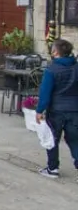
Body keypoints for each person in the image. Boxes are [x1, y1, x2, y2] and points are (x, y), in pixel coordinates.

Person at [35, 38, 78, 179]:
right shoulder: (76, 68)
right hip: (75, 110)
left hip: (56, 110)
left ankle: (53, 168)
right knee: (74, 139)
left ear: (55, 52)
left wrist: (39, 110)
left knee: (52, 139)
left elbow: (45, 93)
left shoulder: (51, 70)